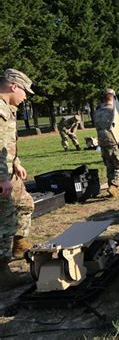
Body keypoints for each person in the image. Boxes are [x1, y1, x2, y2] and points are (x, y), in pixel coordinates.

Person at [0, 68, 35, 289]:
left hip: (8, 172)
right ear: (14, 86)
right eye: (24, 91)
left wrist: (16, 162)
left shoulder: (7, 109)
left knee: (25, 204)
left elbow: (6, 144)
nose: (25, 97)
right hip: (2, 178)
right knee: (5, 220)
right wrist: (2, 178)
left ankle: (19, 244)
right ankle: (2, 271)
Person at [94, 89, 119, 197]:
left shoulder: (97, 110)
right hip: (113, 140)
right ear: (113, 97)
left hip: (101, 140)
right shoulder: (115, 110)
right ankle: (114, 185)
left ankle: (111, 188)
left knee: (109, 165)